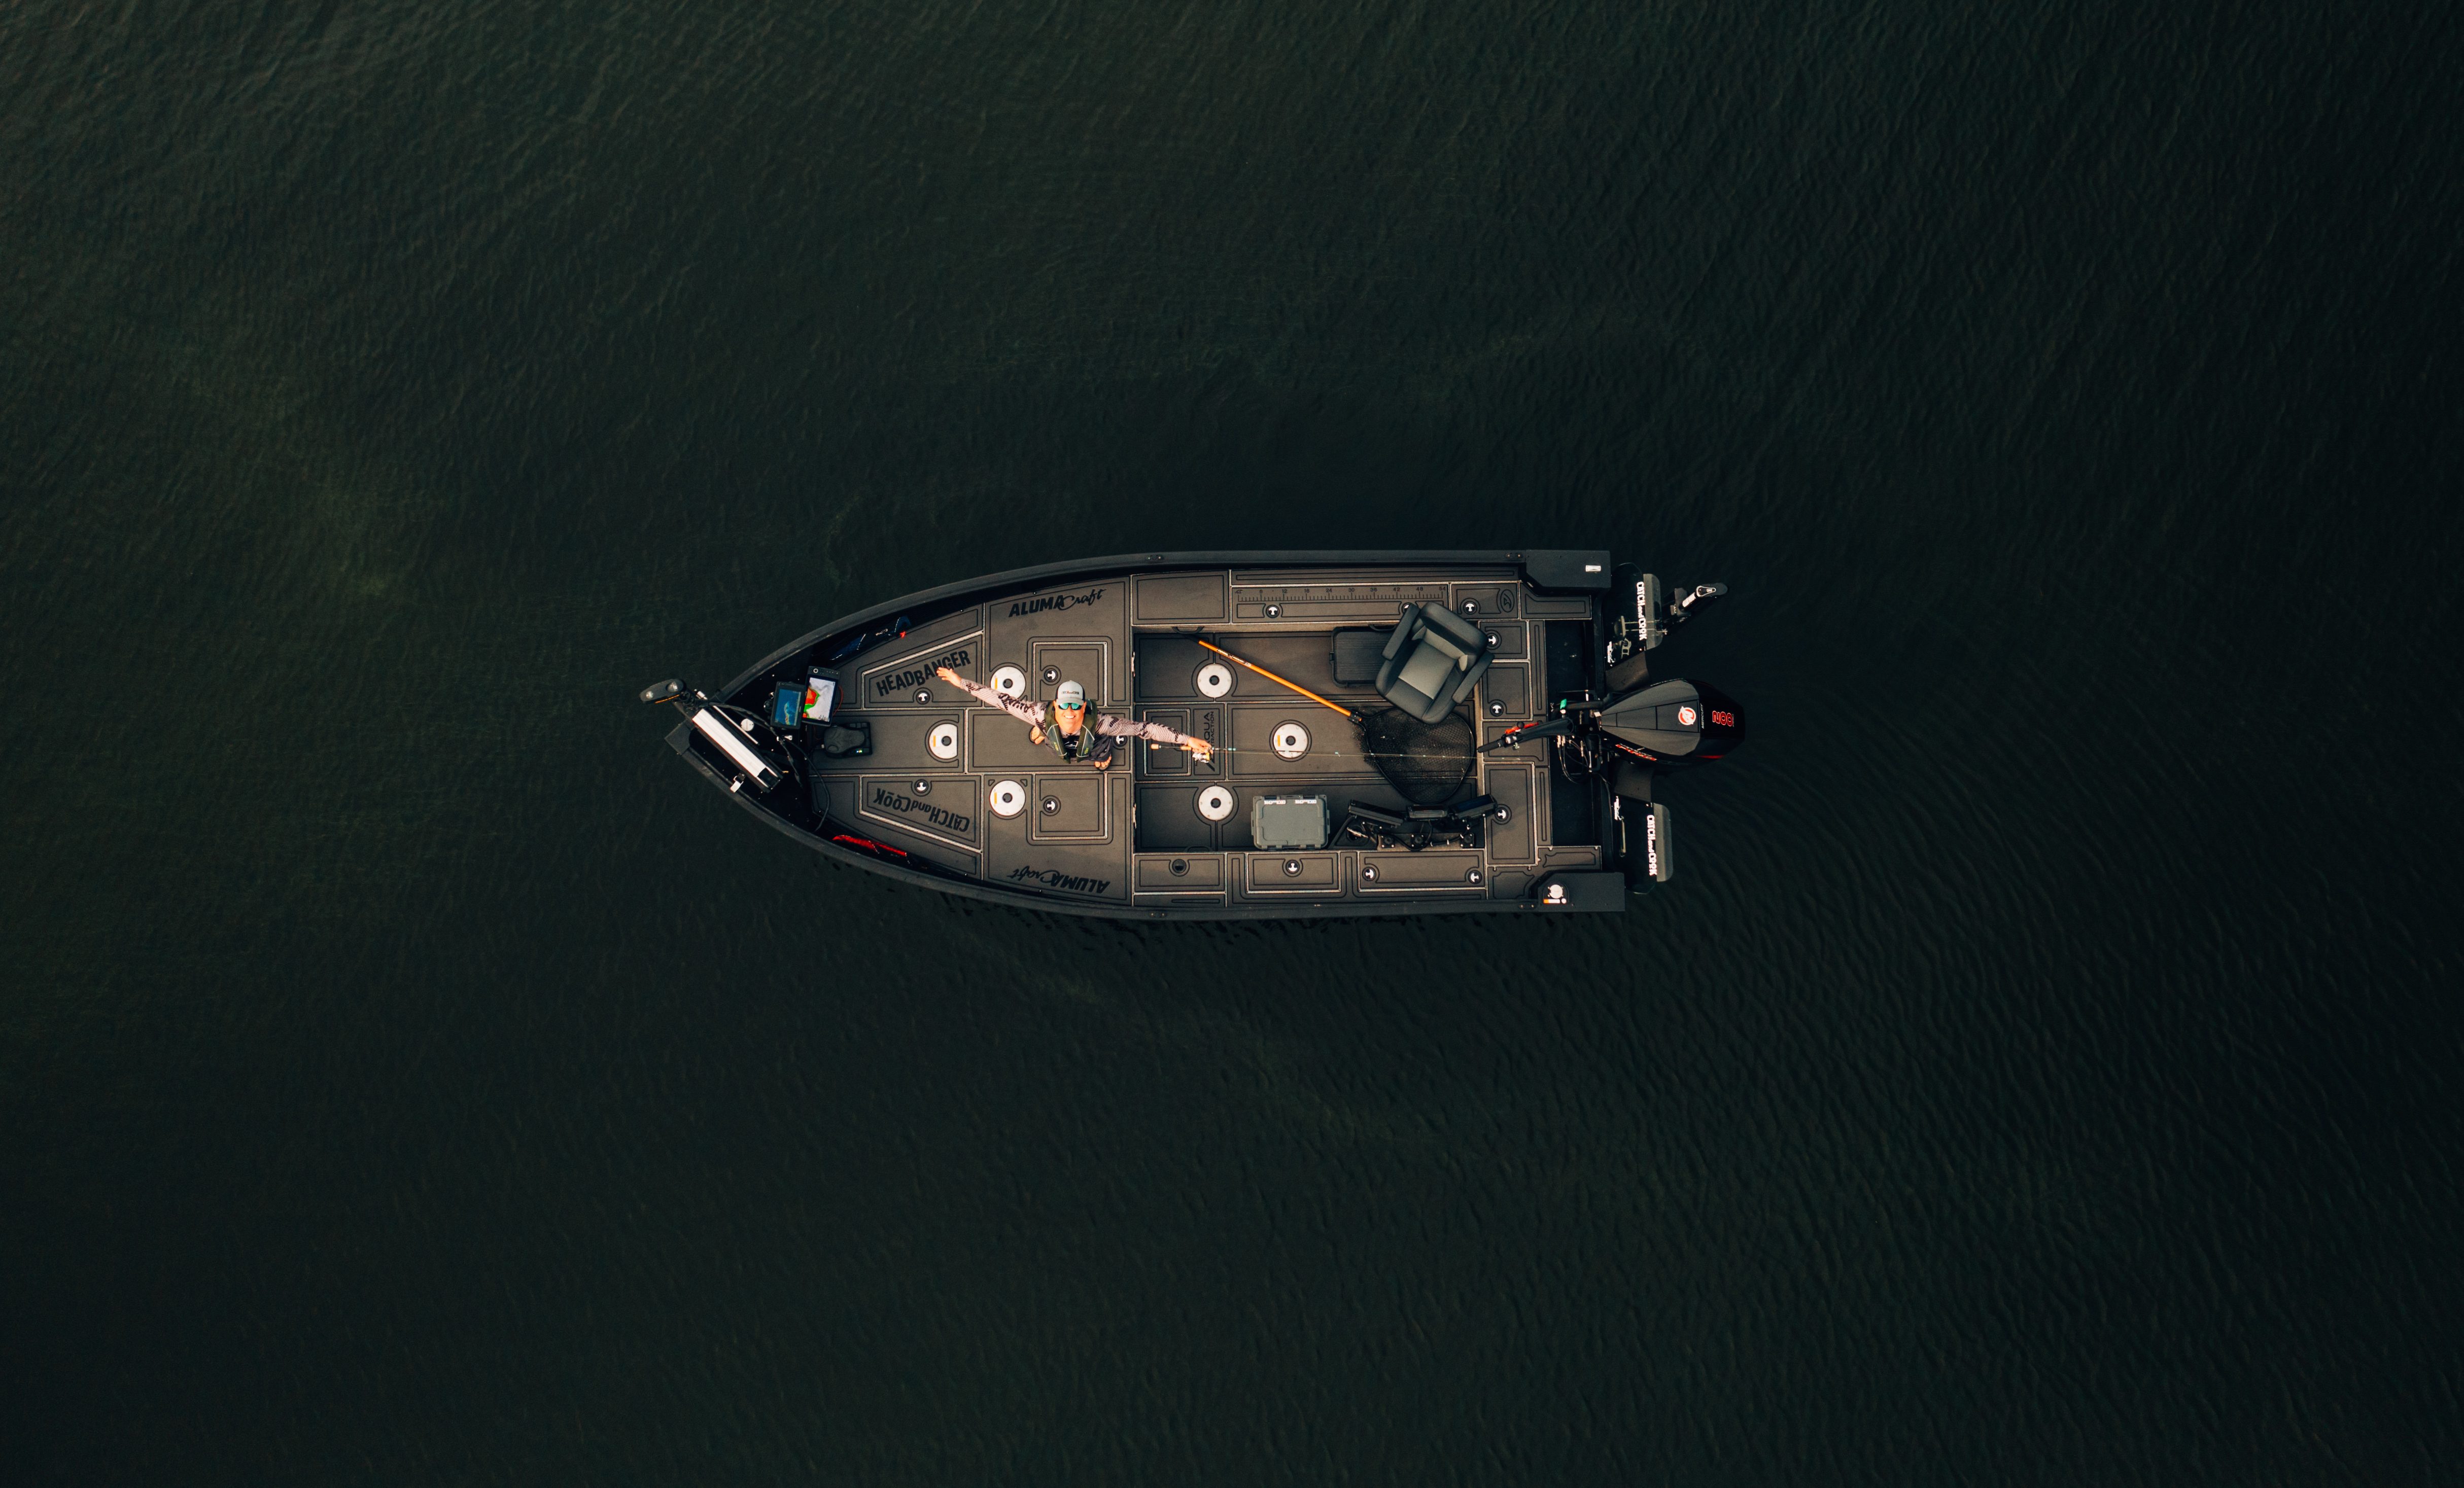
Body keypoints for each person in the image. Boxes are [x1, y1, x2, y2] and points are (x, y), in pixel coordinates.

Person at [935, 668, 1213, 770]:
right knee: (1049, 740)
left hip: (1093, 744)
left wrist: (1190, 740)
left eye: (1076, 705)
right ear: (1055, 704)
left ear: (1084, 707)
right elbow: (998, 699)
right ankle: (1045, 737)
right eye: (1064, 704)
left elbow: (1147, 729)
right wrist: (961, 683)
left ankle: (1099, 760)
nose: (1069, 711)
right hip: (1051, 736)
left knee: (1100, 755)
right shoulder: (1037, 714)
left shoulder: (1102, 724)